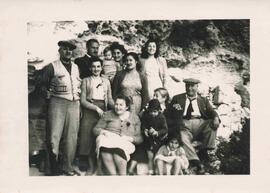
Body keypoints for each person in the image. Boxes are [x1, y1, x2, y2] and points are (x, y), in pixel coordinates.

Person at [40, 40, 81, 176]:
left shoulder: (75, 67)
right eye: (64, 49)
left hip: (74, 103)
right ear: (59, 51)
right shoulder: (52, 67)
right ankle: (52, 168)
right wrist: (45, 92)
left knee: (72, 137)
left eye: (70, 50)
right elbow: (42, 84)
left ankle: (67, 166)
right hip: (57, 102)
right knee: (54, 136)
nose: (68, 52)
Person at [167, 78, 220, 174]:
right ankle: (196, 161)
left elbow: (212, 111)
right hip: (184, 123)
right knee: (182, 137)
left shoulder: (203, 100)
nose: (190, 88)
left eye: (192, 86)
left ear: (197, 87)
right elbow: (169, 113)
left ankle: (205, 150)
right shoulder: (177, 98)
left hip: (200, 123)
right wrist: (175, 121)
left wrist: (216, 118)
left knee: (211, 123)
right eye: (187, 85)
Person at [78, 56, 114, 175]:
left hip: (102, 109)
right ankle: (88, 163)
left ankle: (98, 164)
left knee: (99, 136)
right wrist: (95, 108)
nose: (96, 69)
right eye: (93, 66)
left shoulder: (106, 81)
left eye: (98, 66)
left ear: (102, 67)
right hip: (90, 109)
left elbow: (109, 99)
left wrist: (120, 107)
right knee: (87, 135)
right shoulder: (86, 80)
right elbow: (83, 101)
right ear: (90, 68)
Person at [93, 95, 143, 175]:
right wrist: (105, 132)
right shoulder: (108, 114)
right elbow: (96, 130)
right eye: (116, 104)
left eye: (121, 105)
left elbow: (140, 138)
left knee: (118, 152)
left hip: (124, 142)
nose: (117, 107)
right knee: (103, 144)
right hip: (108, 139)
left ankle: (122, 176)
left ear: (126, 107)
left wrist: (130, 139)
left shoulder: (134, 118)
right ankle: (114, 176)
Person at [141, 99, 168, 175]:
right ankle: (150, 170)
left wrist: (157, 132)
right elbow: (143, 125)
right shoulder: (147, 115)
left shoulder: (162, 117)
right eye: (151, 111)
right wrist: (144, 130)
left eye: (155, 112)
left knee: (156, 155)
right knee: (150, 155)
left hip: (159, 140)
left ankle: (157, 170)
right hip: (149, 140)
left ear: (159, 110)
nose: (152, 113)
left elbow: (165, 129)